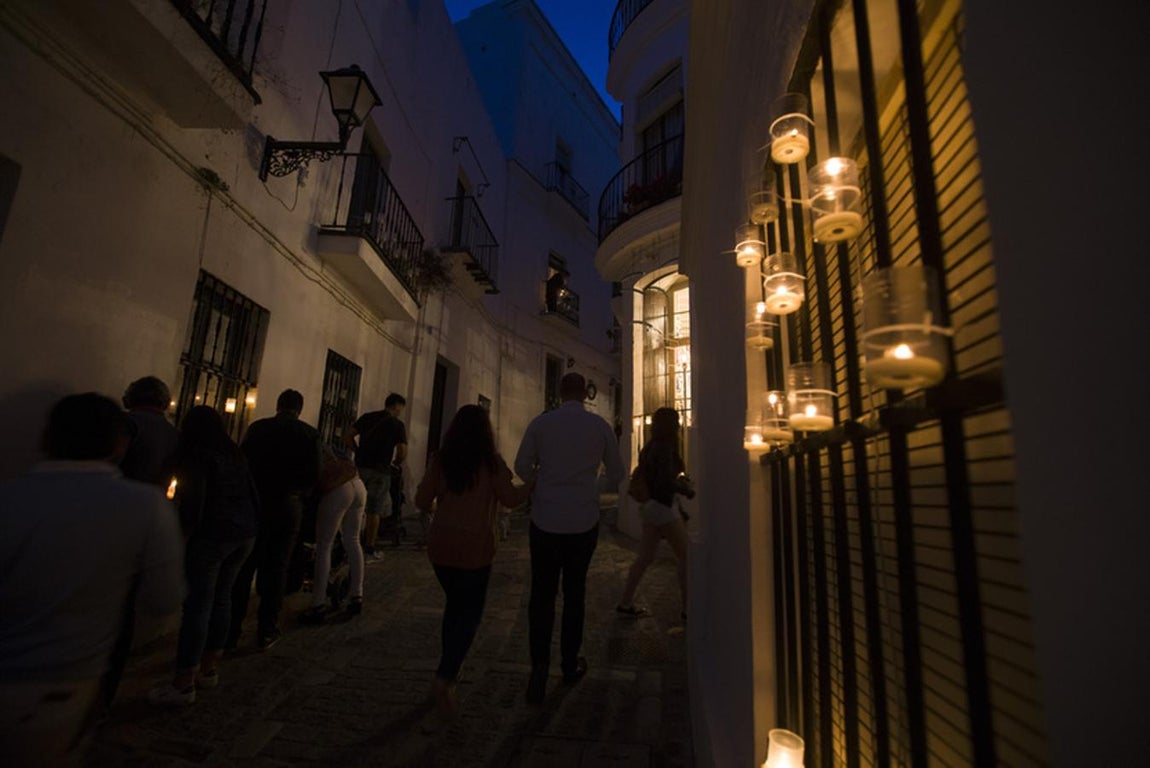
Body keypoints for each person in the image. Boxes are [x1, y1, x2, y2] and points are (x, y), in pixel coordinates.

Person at [0, 393, 183, 764]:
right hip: (66, 682)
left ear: (46, 439)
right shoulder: (144, 506)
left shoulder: (9, 497)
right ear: (119, 445)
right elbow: (164, 600)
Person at [415, 405, 533, 716]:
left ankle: (449, 669)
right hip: (475, 550)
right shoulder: (491, 464)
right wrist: (533, 483)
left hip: (441, 548)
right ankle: (445, 676)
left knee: (454, 607)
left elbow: (420, 501)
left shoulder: (443, 460)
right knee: (469, 615)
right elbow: (510, 499)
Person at [514, 373, 624, 704]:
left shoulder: (541, 423)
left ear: (561, 393)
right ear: (585, 393)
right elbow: (617, 474)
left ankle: (539, 667)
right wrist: (592, 489)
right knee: (575, 594)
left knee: (542, 595)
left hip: (545, 520)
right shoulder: (600, 427)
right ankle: (568, 663)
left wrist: (542, 482)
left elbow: (521, 465)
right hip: (582, 521)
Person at [151, 406, 259, 705]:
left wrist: (183, 535)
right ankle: (209, 670)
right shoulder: (233, 452)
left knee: (198, 605)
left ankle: (184, 682)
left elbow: (194, 502)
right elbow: (252, 492)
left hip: (213, 534)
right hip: (244, 532)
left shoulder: (197, 455)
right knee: (222, 598)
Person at [104, 375, 181, 711]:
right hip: (150, 526)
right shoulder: (175, 435)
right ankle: (105, 693)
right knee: (123, 613)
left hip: (110, 522)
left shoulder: (127, 425)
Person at [231, 389, 321, 651]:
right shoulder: (308, 434)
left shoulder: (258, 429)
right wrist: (300, 494)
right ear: (299, 409)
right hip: (287, 504)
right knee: (277, 566)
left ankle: (231, 630)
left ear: (278, 405)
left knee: (246, 566)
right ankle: (266, 629)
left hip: (256, 502)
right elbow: (314, 474)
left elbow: (242, 462)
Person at [616, 407, 691, 621]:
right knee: (686, 556)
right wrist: (685, 489)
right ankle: (688, 608)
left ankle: (625, 601)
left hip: (649, 507)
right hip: (663, 508)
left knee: (645, 557)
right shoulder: (665, 447)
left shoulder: (649, 447)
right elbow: (665, 482)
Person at [298, 444, 366, 623]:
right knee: (353, 540)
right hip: (358, 484)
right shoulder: (329, 448)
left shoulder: (308, 452)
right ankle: (356, 595)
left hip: (337, 489)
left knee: (324, 545)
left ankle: (318, 603)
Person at [343, 392, 407, 559]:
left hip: (362, 467)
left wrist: (357, 451)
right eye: (400, 408)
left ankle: (348, 541)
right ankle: (369, 547)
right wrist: (396, 462)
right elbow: (402, 451)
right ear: (396, 406)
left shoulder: (367, 417)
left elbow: (348, 436)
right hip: (381, 470)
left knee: (354, 505)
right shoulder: (397, 425)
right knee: (374, 509)